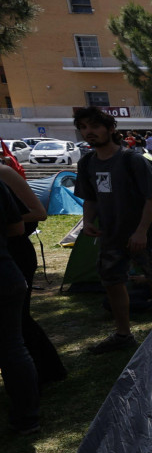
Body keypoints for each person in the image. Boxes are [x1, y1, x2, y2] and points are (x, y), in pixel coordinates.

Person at [72, 106, 152, 354]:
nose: (89, 132)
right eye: (84, 128)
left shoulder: (132, 160)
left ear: (110, 129)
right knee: (112, 282)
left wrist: (141, 232)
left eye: (94, 126)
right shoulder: (87, 164)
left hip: (147, 234)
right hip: (112, 234)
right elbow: (90, 198)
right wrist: (87, 222)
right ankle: (123, 334)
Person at [0, 162, 65, 390]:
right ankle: (46, 371)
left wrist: (8, 218)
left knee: (19, 318)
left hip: (15, 252)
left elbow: (39, 213)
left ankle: (43, 373)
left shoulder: (4, 173)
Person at [0, 178, 40, 435]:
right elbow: (16, 228)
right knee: (13, 347)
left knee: (13, 348)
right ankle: (27, 419)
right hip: (6, 273)